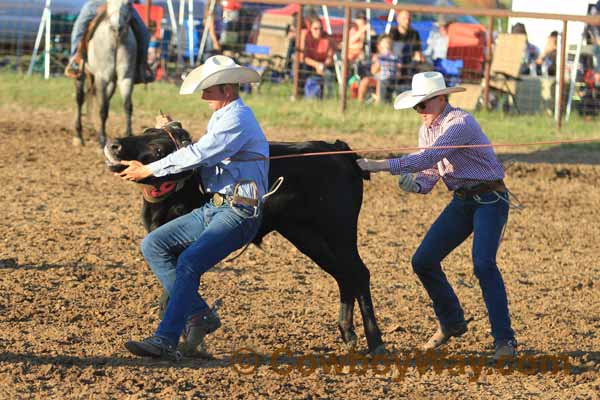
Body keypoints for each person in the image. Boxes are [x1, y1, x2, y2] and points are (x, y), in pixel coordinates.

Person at [356, 71, 518, 360]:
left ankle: (505, 341)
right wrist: (414, 184)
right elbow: (429, 174)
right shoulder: (427, 130)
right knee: (423, 260)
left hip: (490, 200)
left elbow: (428, 158)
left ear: (441, 99)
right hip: (463, 200)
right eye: (417, 107)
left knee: (483, 264)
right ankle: (451, 321)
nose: (420, 112)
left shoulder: (461, 122)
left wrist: (378, 165)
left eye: (424, 105)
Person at [117, 55, 269, 360]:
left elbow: (199, 154)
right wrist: (172, 129)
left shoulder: (237, 119)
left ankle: (166, 339)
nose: (203, 95)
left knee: (188, 261)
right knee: (153, 245)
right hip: (216, 206)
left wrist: (150, 170)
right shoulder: (226, 117)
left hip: (239, 210)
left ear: (227, 89)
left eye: (208, 89)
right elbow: (201, 152)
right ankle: (200, 314)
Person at [65, 0, 153, 83]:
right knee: (79, 27)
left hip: (124, 5)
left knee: (144, 33)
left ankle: (142, 66)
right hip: (98, 3)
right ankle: (74, 61)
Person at [298, 16, 335, 98]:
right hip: (308, 64)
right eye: (315, 29)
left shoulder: (327, 38)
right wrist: (316, 65)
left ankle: (328, 97)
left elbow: (330, 58)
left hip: (322, 65)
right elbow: (302, 57)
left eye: (321, 29)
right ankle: (299, 94)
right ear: (310, 29)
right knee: (301, 68)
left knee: (328, 74)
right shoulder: (305, 36)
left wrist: (323, 65)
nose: (319, 31)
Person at [357, 34, 399, 104]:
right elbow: (373, 71)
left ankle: (378, 102)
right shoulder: (377, 56)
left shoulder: (394, 57)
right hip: (377, 78)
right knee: (365, 81)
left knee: (380, 82)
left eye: (389, 43)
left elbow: (398, 69)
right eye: (385, 43)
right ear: (379, 46)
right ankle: (360, 101)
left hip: (388, 79)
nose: (387, 44)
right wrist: (377, 64)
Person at [390, 10, 425, 89]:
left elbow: (417, 51)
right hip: (396, 61)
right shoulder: (392, 32)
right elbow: (389, 50)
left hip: (410, 62)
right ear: (398, 19)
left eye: (409, 19)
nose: (407, 21)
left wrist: (419, 56)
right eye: (404, 19)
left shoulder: (414, 33)